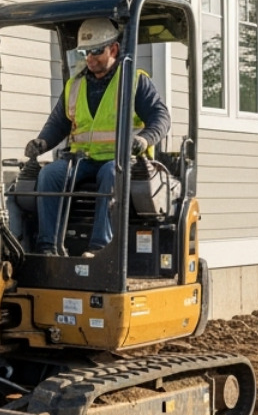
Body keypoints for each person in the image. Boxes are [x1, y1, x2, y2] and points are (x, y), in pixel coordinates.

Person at [22, 17, 170, 257]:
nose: (90, 58)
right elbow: (58, 123)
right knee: (49, 174)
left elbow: (160, 117)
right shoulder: (75, 85)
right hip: (82, 160)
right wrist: (43, 142)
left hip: (122, 160)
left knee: (112, 174)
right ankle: (48, 247)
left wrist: (144, 139)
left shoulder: (134, 81)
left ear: (114, 49)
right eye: (85, 52)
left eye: (96, 51)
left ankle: (101, 248)